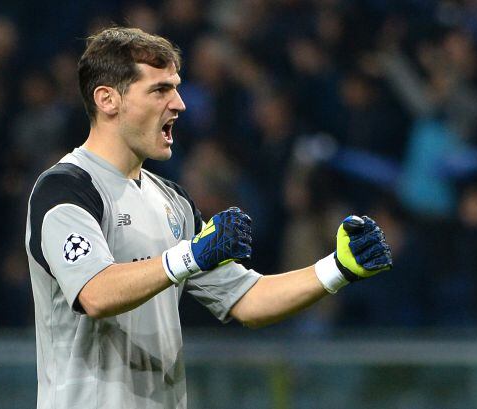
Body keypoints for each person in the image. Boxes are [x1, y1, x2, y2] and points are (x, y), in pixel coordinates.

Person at [24, 27, 393, 409]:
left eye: (176, 87)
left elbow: (247, 299)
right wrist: (189, 256)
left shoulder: (173, 200)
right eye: (160, 90)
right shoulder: (66, 188)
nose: (179, 104)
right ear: (108, 100)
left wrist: (337, 268)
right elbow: (95, 292)